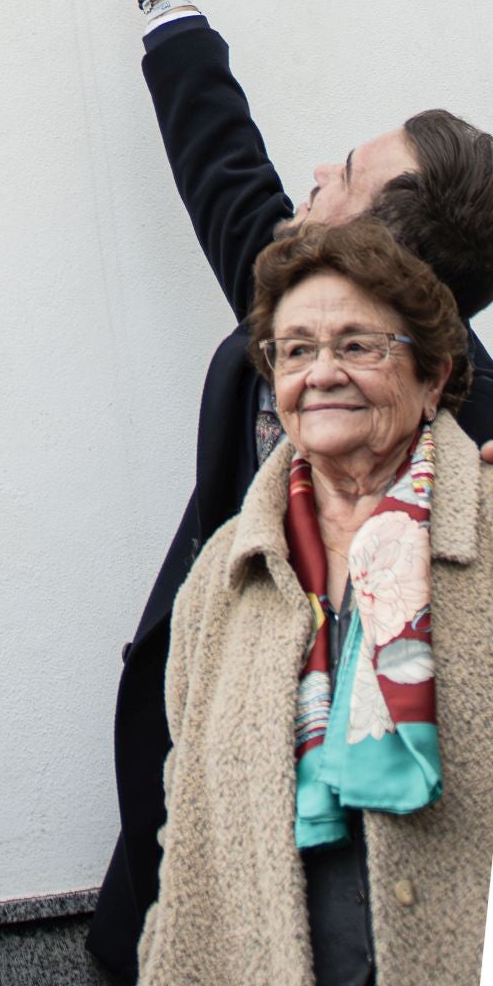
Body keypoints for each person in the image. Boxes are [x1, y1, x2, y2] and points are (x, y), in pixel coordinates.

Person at [89, 0, 493, 979]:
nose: (315, 374)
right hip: (212, 843)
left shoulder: (475, 453)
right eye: (296, 352)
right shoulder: (284, 323)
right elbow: (223, 166)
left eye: (343, 172)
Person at [139, 218, 493, 986]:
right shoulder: (224, 576)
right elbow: (188, 826)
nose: (322, 373)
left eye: (358, 346)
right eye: (295, 350)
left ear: (432, 378)